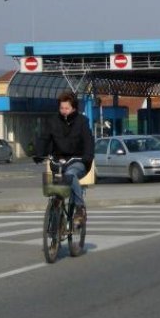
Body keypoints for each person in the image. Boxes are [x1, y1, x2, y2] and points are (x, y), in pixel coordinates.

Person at [34, 91, 94, 227]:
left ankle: (80, 209)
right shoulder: (53, 121)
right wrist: (39, 153)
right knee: (57, 189)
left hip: (78, 161)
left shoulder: (82, 121)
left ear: (73, 108)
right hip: (58, 161)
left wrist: (87, 156)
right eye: (61, 108)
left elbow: (88, 141)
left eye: (67, 108)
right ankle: (57, 219)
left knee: (70, 174)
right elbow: (44, 138)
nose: (64, 111)